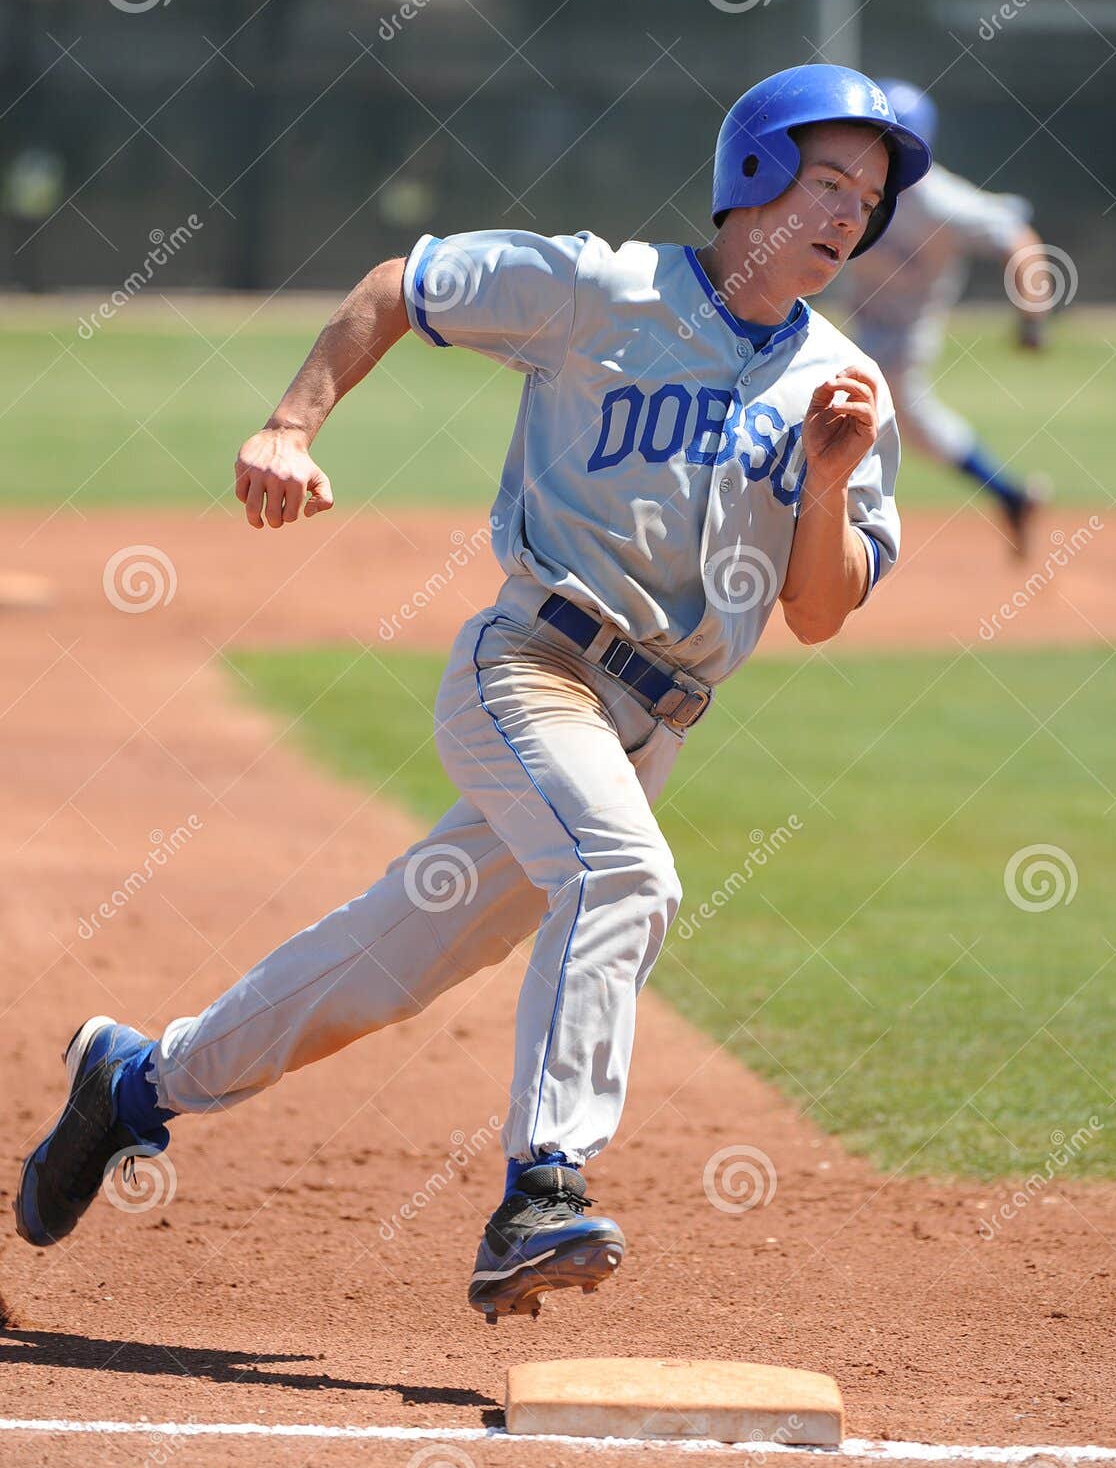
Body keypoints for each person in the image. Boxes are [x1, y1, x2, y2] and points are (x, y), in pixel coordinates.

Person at [16, 66, 930, 1322]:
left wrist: (826, 482)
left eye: (869, 197)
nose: (848, 214)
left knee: (382, 962)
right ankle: (540, 1190)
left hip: (647, 726)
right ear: (757, 173)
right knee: (624, 877)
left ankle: (136, 1085)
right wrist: (293, 424)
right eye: (829, 179)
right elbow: (405, 285)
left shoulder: (845, 391)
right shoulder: (602, 288)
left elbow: (821, 613)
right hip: (531, 669)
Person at [843, 79, 1050, 556]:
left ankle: (823, 527)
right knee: (917, 430)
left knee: (838, 411)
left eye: (889, 139)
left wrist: (1032, 314)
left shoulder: (941, 203)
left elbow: (1018, 238)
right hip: (863, 329)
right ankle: (1011, 496)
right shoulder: (851, 185)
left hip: (900, 340)